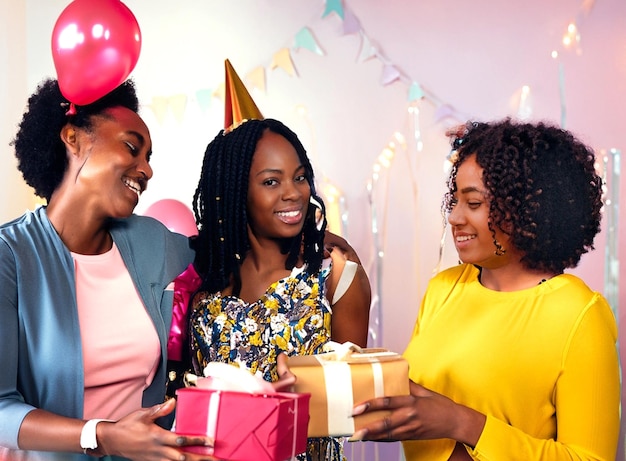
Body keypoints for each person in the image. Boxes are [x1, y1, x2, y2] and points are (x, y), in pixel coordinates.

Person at [349, 119, 620, 460]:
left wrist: (463, 423)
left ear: (529, 209)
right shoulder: (444, 289)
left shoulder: (579, 313)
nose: (454, 218)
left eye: (473, 204)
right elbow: (415, 402)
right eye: (455, 201)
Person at [0, 78, 214, 460]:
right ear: (74, 139)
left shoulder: (153, 242)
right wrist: (101, 435)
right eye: (132, 147)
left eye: (149, 158)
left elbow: (231, 251)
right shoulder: (11, 255)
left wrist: (314, 240)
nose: (146, 170)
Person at [185, 60, 371, 461]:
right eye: (271, 181)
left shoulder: (335, 274)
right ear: (236, 192)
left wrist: (301, 395)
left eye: (300, 177)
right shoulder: (205, 292)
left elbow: (353, 408)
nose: (294, 193)